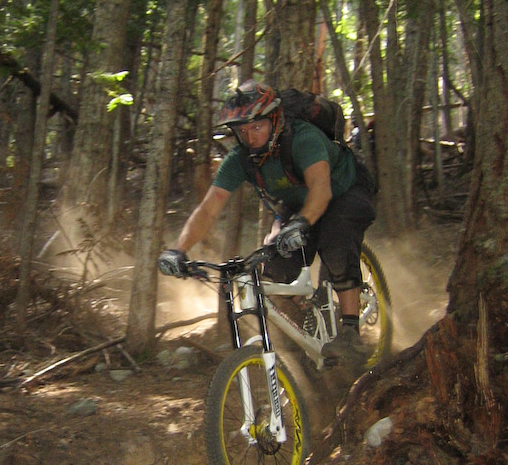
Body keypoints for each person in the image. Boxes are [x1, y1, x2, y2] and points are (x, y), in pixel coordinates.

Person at [157, 80, 377, 365]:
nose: (250, 137)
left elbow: (321, 191)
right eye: (242, 130)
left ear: (274, 120)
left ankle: (350, 332)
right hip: (299, 205)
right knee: (273, 266)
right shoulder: (240, 159)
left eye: (257, 127)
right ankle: (311, 312)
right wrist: (179, 249)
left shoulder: (304, 138)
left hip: (344, 190)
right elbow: (208, 209)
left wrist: (301, 223)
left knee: (336, 241)